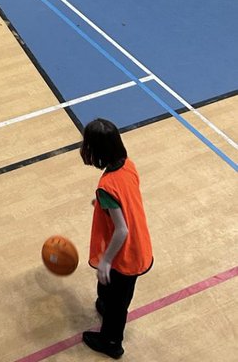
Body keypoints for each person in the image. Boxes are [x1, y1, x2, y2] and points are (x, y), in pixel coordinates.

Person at [80, 118, 153, 359]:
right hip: (138, 245)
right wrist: (104, 207)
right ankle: (106, 307)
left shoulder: (106, 186)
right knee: (108, 291)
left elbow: (121, 230)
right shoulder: (128, 165)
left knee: (117, 302)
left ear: (95, 150)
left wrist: (106, 261)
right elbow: (124, 202)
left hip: (125, 255)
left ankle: (111, 341)